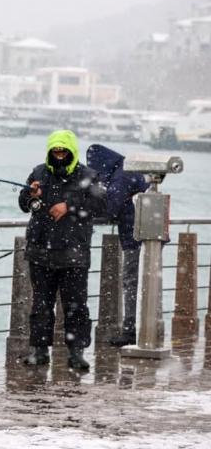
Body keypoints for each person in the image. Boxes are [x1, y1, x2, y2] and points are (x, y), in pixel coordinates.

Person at [18, 129, 106, 371]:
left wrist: (69, 205)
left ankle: (77, 353)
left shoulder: (89, 175)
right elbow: (25, 205)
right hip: (40, 251)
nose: (58, 155)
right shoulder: (38, 172)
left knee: (76, 305)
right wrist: (29, 194)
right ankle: (39, 351)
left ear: (72, 151)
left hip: (74, 253)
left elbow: (101, 205)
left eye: (63, 151)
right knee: (41, 305)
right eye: (54, 151)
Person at [86, 143, 149, 347]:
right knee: (144, 284)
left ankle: (131, 332)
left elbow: (111, 208)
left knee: (131, 283)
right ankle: (145, 328)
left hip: (136, 237)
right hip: (145, 234)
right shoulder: (127, 170)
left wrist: (83, 214)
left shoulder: (121, 176)